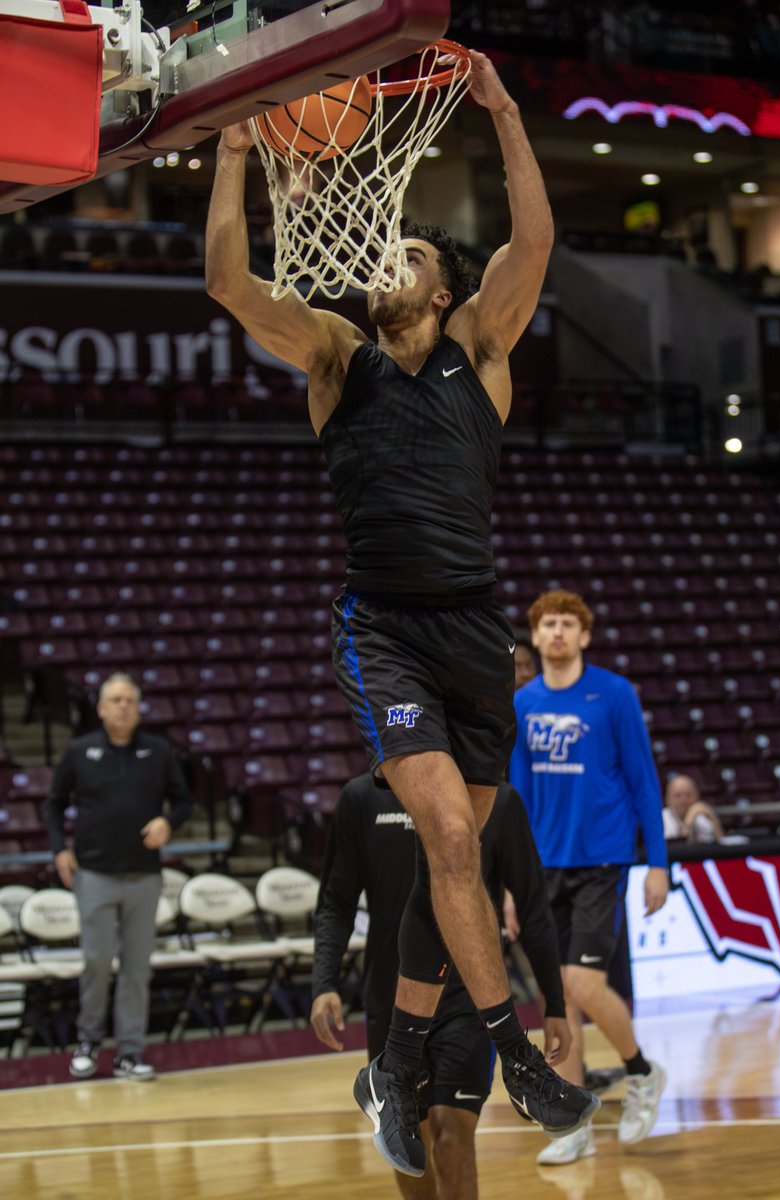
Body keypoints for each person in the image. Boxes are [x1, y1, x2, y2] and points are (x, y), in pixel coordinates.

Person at [205, 49, 597, 1177]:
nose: (386, 259)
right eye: (381, 249)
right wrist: (234, 155)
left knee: (450, 867)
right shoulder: (336, 357)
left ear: (440, 286)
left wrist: (505, 111)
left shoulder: (481, 349)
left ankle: (397, 1059)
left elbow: (534, 243)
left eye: (408, 252)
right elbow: (233, 286)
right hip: (386, 627)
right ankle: (515, 1055)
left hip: (479, 635)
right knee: (450, 837)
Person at [311, 774, 570, 1200]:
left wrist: (554, 1004)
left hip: (469, 1002)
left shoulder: (497, 800)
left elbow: (533, 906)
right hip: (391, 1002)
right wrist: (324, 981)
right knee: (410, 1152)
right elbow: (337, 900)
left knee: (453, 1135)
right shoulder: (361, 799)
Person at [511, 589, 670, 1165]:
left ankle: (641, 1072)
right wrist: (509, 881)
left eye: (566, 624)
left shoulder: (615, 694)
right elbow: (518, 800)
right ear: (535, 637)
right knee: (558, 1002)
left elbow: (645, 782)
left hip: (602, 861)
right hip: (542, 866)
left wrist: (658, 864)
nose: (556, 632)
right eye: (547, 623)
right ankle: (574, 1122)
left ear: (584, 636)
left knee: (581, 984)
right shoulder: (523, 702)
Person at [43, 673, 193, 1080]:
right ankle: (88, 1041)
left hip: (144, 877)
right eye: (116, 699)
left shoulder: (158, 752)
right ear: (101, 708)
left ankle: (129, 1052)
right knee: (95, 961)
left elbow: (183, 802)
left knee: (136, 967)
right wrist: (60, 849)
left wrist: (167, 821)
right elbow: (53, 805)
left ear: (138, 707)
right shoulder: (79, 751)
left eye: (130, 699)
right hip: (93, 875)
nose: (124, 706)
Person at [662, 774, 724, 844]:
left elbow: (720, 844)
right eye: (678, 795)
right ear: (667, 799)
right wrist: (689, 820)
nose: (683, 801)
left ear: (697, 797)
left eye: (689, 795)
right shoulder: (662, 820)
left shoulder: (700, 818)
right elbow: (680, 849)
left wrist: (712, 816)